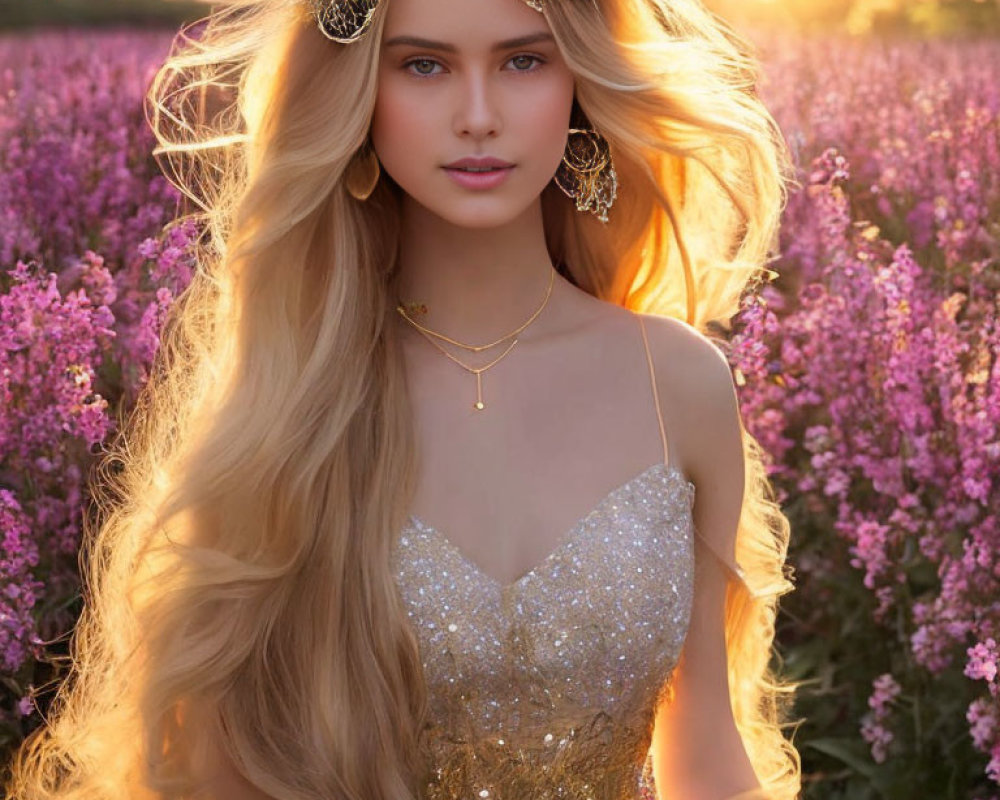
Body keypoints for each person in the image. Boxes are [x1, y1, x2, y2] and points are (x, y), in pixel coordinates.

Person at [6, 0, 801, 797]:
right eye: (424, 65)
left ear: (581, 83)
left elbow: (704, 744)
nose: (479, 117)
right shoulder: (295, 412)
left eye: (524, 61)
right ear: (359, 96)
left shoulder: (677, 384)